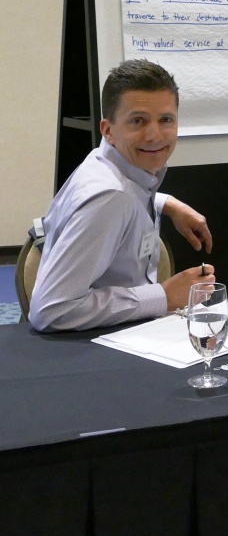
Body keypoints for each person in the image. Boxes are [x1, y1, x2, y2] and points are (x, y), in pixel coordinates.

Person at [30, 59, 216, 332]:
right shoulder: (110, 199)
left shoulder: (111, 165)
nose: (155, 135)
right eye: (138, 121)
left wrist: (166, 203)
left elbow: (123, 193)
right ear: (108, 130)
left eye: (166, 120)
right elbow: (51, 311)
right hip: (97, 347)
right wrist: (163, 296)